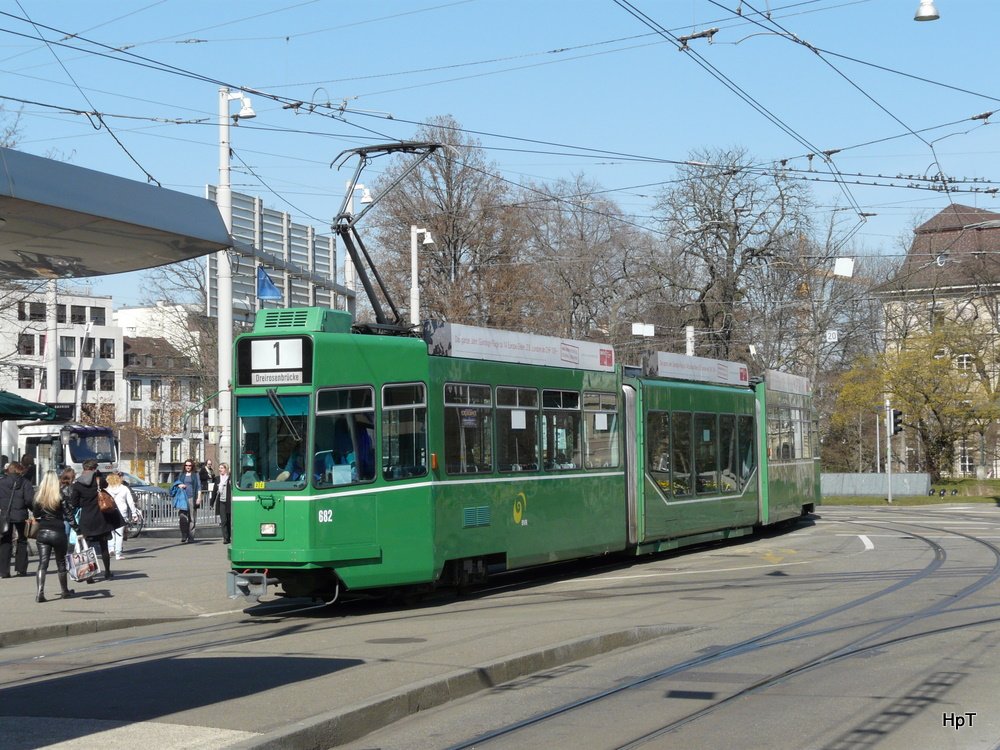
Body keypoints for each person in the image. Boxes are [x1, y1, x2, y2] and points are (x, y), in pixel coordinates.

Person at [69, 459, 121, 582]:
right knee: (104, 547)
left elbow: (74, 503)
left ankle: (89, 575)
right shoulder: (99, 480)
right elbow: (106, 485)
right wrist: (98, 475)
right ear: (94, 469)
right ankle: (107, 572)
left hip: (86, 519)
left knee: (87, 548)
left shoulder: (77, 484)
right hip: (101, 518)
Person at [32, 470, 76, 602]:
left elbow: (35, 514)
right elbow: (69, 515)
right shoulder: (59, 495)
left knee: (42, 563)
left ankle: (40, 592)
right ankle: (64, 591)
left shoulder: (39, 496)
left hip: (43, 532)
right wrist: (78, 529)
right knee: (61, 562)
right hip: (58, 531)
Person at [0, 461, 34, 578]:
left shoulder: (1, 482)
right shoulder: (25, 483)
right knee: (22, 540)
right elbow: (29, 500)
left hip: (5, 515)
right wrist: (33, 511)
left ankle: (4, 571)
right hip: (21, 515)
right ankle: (21, 569)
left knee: (5, 541)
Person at [105, 472, 138, 561]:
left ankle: (111, 548)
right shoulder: (124, 488)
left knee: (111, 532)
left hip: (109, 511)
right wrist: (134, 513)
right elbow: (130, 502)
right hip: (122, 512)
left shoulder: (106, 489)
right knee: (119, 534)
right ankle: (118, 553)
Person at [175, 458, 201, 543]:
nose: (188, 467)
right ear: (184, 466)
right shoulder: (181, 474)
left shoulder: (195, 474)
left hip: (192, 497)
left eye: (190, 465)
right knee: (182, 517)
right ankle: (184, 535)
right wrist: (179, 485)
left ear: (192, 466)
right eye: (186, 465)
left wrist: (199, 498)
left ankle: (191, 536)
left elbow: (199, 487)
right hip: (182, 498)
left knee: (192, 518)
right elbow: (176, 484)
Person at [211, 462, 232, 544]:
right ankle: (225, 538)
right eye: (219, 468)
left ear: (226, 469)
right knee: (223, 521)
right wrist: (211, 502)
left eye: (222, 468)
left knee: (229, 521)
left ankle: (229, 536)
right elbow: (214, 491)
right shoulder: (217, 479)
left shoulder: (230, 479)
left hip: (229, 502)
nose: (220, 469)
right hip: (221, 502)